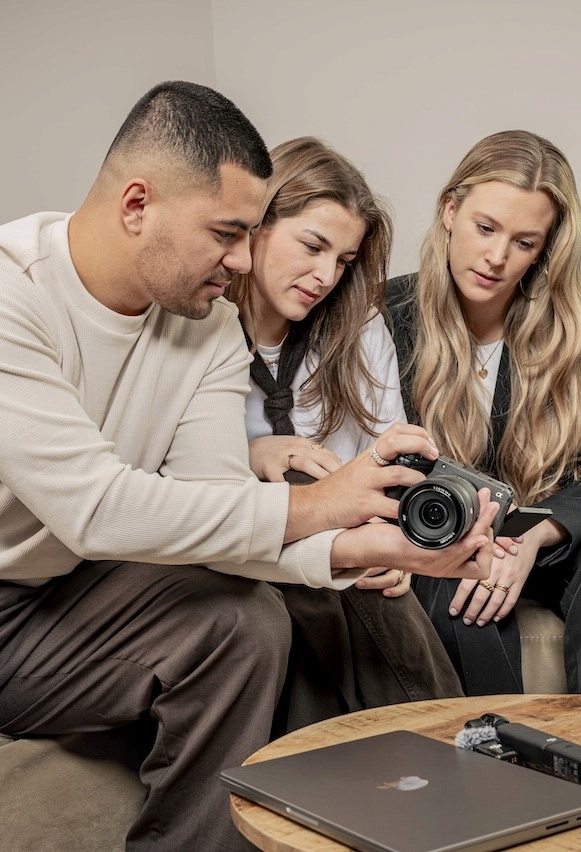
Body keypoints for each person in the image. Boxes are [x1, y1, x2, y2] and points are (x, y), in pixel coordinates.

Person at [0, 81, 499, 852]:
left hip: (26, 612)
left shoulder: (208, 331)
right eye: (228, 233)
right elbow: (94, 510)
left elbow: (214, 514)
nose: (241, 260)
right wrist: (325, 504)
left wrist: (362, 548)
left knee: (241, 623)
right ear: (138, 205)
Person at [386, 130, 581, 699]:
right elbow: (374, 458)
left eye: (524, 241)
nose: (496, 257)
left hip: (550, 531)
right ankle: (497, 773)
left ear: (546, 248)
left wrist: (533, 536)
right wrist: (473, 545)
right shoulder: (386, 313)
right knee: (451, 587)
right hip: (442, 536)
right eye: (485, 228)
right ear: (450, 210)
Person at [228, 137, 463, 732]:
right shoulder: (198, 332)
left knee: (360, 572)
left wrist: (390, 542)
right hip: (244, 548)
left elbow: (388, 455)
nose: (325, 276)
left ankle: (421, 746)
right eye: (312, 246)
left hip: (347, 549)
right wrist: (253, 453)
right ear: (257, 224)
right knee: (304, 491)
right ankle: (451, 739)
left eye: (345, 260)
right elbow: (171, 477)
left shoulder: (358, 329)